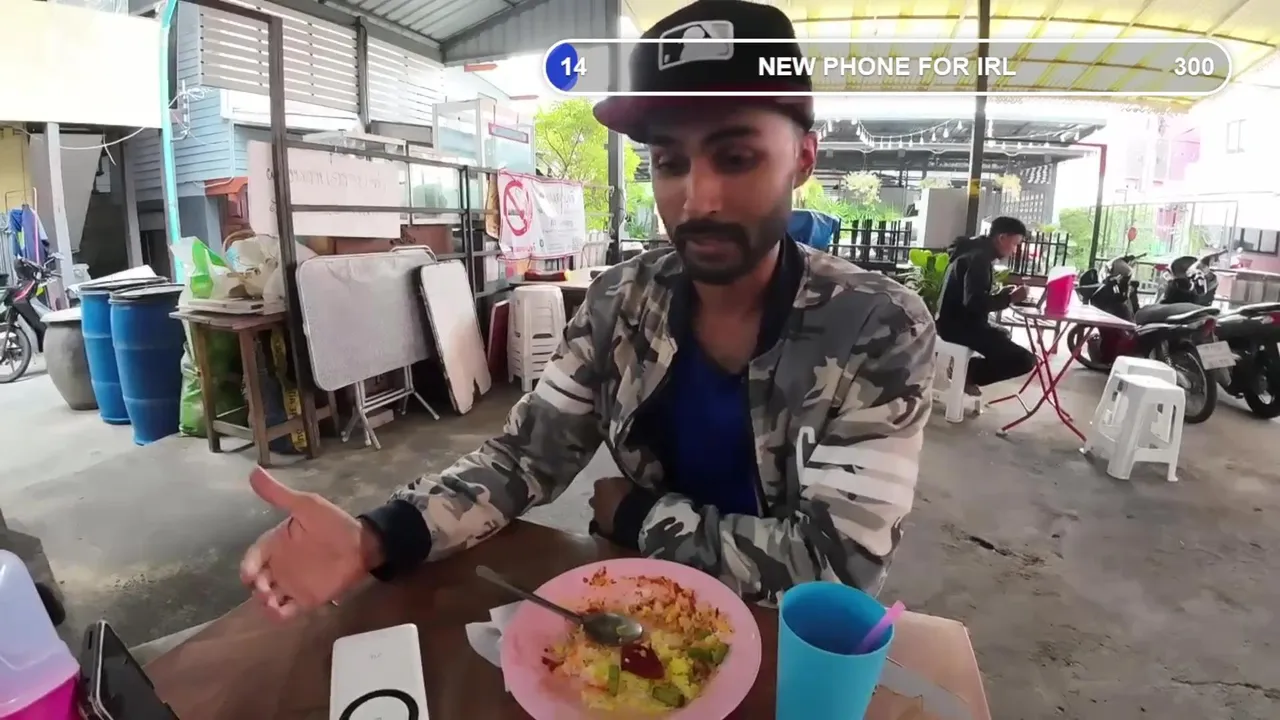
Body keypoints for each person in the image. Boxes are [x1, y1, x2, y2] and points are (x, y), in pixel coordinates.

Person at [239, 0, 935, 618]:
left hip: (785, 649)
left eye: (736, 158)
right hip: (631, 621)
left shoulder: (876, 328)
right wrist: (377, 536)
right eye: (669, 163)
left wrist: (639, 517)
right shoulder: (621, 302)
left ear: (803, 159)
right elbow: (526, 455)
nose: (698, 199)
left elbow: (837, 572)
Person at [935, 216, 1037, 395]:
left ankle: (965, 369)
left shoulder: (973, 251)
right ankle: (966, 372)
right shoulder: (979, 259)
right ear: (1002, 238)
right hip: (958, 327)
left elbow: (972, 296)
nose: (1014, 250)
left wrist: (1003, 295)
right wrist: (1010, 298)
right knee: (1025, 360)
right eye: (1014, 244)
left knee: (1003, 334)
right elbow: (974, 303)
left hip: (951, 321)